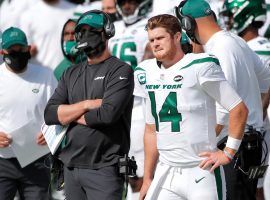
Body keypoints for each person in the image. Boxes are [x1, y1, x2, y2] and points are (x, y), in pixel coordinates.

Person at [135, 14, 248, 200]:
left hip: (201, 170)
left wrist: (228, 153)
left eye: (160, 38)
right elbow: (150, 130)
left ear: (177, 36)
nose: (155, 44)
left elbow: (239, 109)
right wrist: (147, 178)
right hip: (167, 171)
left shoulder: (200, 66)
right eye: (151, 40)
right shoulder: (146, 72)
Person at [175, 0, 270, 199]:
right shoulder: (234, 40)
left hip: (233, 148)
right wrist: (256, 113)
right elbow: (266, 77)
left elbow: (225, 108)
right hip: (248, 143)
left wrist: (205, 145)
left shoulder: (220, 48)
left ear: (188, 24)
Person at [44, 10, 134, 200]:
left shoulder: (121, 70)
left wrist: (68, 115)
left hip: (105, 169)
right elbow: (50, 114)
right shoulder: (70, 73)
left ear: (107, 32)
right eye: (81, 31)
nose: (85, 35)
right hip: (71, 167)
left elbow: (107, 115)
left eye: (91, 30)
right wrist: (86, 104)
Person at [220, 0, 270, 199]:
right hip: (259, 123)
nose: (229, 21)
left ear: (244, 15)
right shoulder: (263, 44)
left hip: (256, 125)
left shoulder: (243, 48)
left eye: (232, 16)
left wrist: (260, 108)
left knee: (252, 187)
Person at [0, 27, 57, 200]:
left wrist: (50, 133)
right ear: (2, 51)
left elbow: (58, 112)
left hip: (37, 159)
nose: (17, 53)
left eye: (21, 49)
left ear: (29, 49)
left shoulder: (46, 76)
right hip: (2, 161)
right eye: (12, 50)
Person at [109, 1, 153, 199]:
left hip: (137, 105)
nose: (127, 6)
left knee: (138, 175)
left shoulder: (148, 26)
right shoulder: (113, 28)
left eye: (132, 1)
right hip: (112, 106)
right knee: (119, 173)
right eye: (124, 2)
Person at [19, 0, 75, 69]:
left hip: (72, 74)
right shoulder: (28, 15)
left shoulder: (74, 10)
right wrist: (27, 53)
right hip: (41, 75)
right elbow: (24, 50)